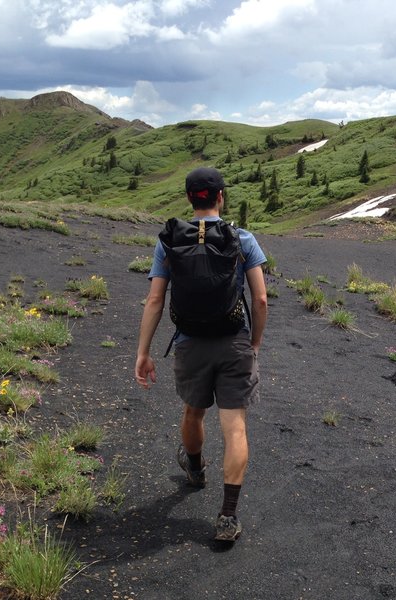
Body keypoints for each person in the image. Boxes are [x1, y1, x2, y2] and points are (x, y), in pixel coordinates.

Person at [134, 166, 268, 542]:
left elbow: (156, 299)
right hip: (234, 340)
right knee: (235, 426)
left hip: (190, 342)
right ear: (221, 197)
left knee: (193, 412)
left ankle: (194, 468)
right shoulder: (241, 238)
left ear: (191, 198)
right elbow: (260, 298)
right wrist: (254, 343)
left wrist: (143, 353)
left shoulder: (169, 241)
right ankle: (227, 517)